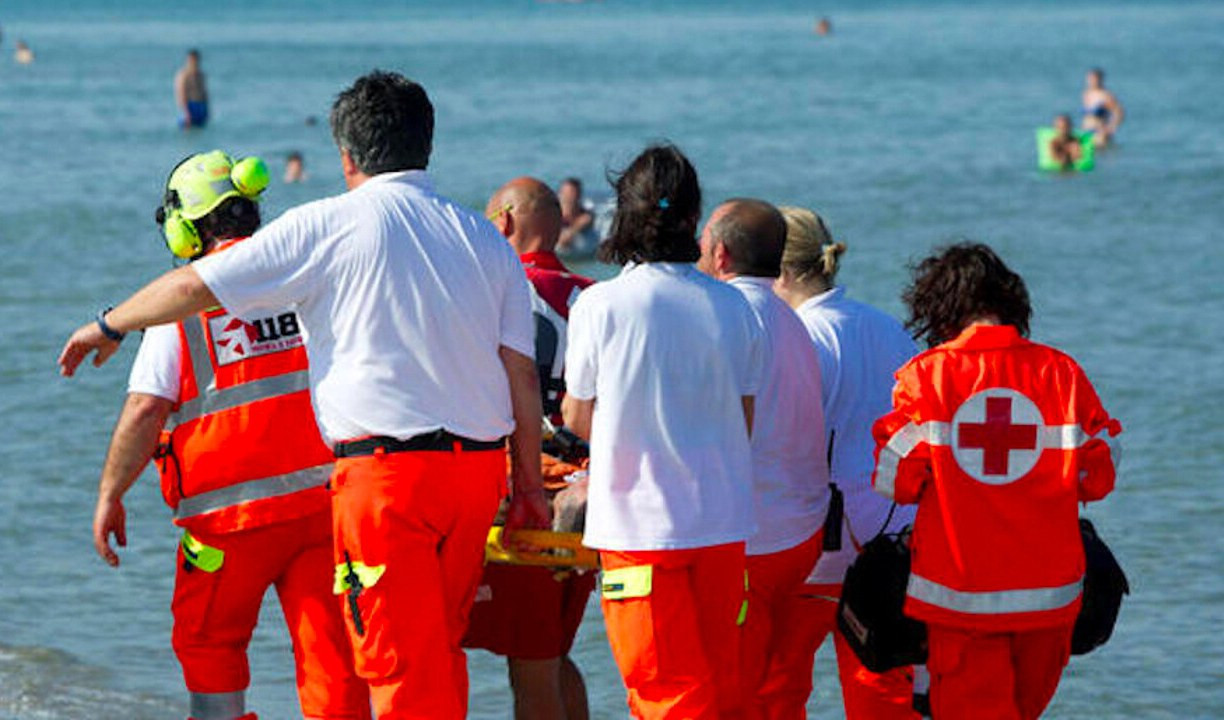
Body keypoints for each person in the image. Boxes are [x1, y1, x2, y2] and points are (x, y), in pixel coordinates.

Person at [59, 70, 551, 720]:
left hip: (373, 485)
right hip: (469, 479)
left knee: (395, 665)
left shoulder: (324, 229)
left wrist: (107, 323)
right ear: (426, 143)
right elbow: (521, 374)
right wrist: (529, 487)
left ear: (346, 155)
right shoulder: (483, 237)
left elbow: (186, 302)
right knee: (429, 652)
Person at [93, 150, 368, 720]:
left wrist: (110, 495)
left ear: (184, 227)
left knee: (211, 650)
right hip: (319, 511)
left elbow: (146, 408)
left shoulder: (179, 303)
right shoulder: (300, 282)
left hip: (225, 528)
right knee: (333, 667)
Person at [872, 242, 1121, 720]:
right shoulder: (1062, 373)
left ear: (940, 311)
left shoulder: (927, 378)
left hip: (960, 599)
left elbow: (895, 481)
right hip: (1050, 599)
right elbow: (1098, 478)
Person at [561, 144, 764, 720]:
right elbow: (744, 419)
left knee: (663, 694)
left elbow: (578, 417)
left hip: (639, 531)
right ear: (694, 221)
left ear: (623, 214)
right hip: (722, 525)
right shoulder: (736, 306)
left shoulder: (600, 305)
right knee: (722, 689)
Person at [765, 206, 922, 719]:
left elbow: (781, 444)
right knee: (885, 696)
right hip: (895, 542)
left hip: (819, 544)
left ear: (781, 273)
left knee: (778, 689)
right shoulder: (889, 329)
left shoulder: (798, 338)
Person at [464, 177, 597, 720]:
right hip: (585, 496)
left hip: (526, 490)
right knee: (555, 652)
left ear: (503, 224)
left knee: (531, 662)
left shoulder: (489, 293)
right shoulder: (593, 296)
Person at [697, 199, 831, 719]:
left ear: (722, 253)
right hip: (801, 532)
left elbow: (717, 426)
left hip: (756, 536)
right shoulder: (790, 318)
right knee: (778, 692)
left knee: (733, 693)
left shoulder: (729, 315)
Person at [1081, 68, 1123, 147]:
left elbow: (1119, 113)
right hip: (1086, 130)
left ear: (1100, 79)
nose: (1091, 81)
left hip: (1100, 133)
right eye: (1090, 79)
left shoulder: (1106, 95)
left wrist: (1111, 127)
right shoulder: (1086, 94)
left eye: (1094, 79)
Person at [556, 177, 594, 253]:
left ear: (579, 196)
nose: (569, 197)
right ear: (559, 194)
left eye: (572, 193)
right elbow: (561, 242)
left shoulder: (586, 216)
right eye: (566, 193)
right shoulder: (553, 216)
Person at [176, 49, 209, 129]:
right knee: (187, 130)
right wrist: (186, 112)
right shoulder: (183, 75)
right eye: (192, 60)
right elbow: (181, 94)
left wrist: (207, 109)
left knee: (201, 130)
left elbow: (205, 92)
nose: (194, 62)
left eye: (196, 60)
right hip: (190, 105)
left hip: (201, 105)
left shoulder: (201, 75)